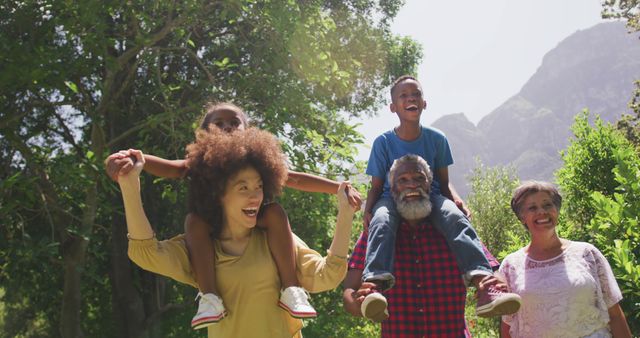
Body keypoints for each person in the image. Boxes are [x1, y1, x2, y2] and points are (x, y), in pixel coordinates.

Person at [106, 102, 362, 329]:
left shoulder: (259, 164)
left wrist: (337, 188)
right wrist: (134, 160)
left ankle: (291, 288)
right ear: (205, 133)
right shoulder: (200, 163)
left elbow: (294, 178)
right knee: (194, 221)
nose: (227, 126)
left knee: (274, 212)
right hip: (211, 222)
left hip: (261, 219)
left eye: (234, 122)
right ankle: (209, 297)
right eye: (219, 123)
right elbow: (172, 169)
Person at [361, 75, 520, 320]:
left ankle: (484, 285)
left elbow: (444, 182)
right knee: (381, 220)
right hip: (390, 198)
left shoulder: (437, 139)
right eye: (403, 95)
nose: (411, 98)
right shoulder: (383, 142)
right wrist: (368, 209)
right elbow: (376, 186)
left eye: (416, 94)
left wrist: (457, 201)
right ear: (393, 107)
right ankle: (374, 286)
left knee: (454, 218)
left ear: (424, 103)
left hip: (430, 194)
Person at [343, 154, 509, 337]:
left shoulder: (455, 230)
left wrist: (496, 286)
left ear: (430, 186)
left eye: (419, 178)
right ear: (392, 190)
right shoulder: (375, 232)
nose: (412, 185)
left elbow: (493, 270)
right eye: (403, 180)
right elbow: (349, 290)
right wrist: (359, 303)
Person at [500, 181, 632, 338]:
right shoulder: (511, 266)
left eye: (547, 205)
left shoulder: (587, 253)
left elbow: (615, 315)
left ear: (556, 210)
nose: (542, 212)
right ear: (522, 217)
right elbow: (507, 326)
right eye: (532, 208)